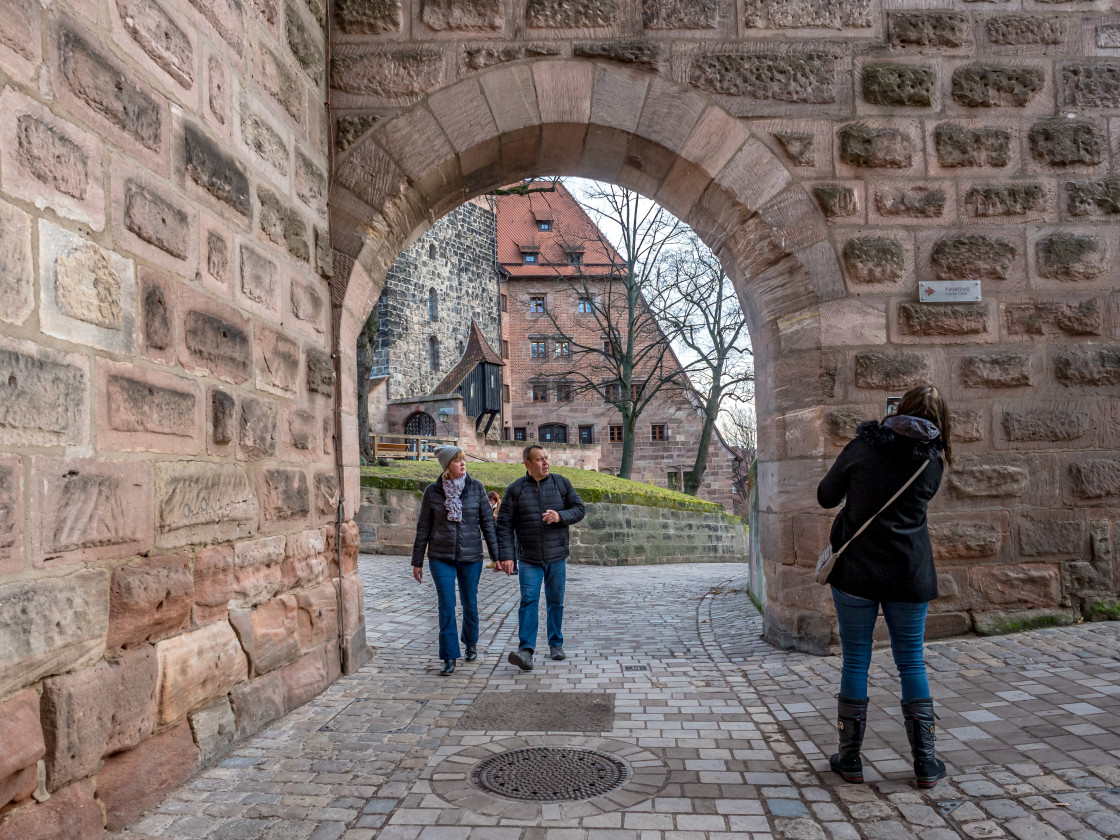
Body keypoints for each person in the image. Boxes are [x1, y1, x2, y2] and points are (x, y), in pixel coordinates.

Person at [817, 384, 953, 790]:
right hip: (908, 574)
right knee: (911, 660)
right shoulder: (933, 462)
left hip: (856, 571)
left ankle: (851, 759)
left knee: (856, 659)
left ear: (898, 409)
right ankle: (925, 763)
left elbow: (826, 496)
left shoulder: (863, 447)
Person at [411, 445, 502, 676]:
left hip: (471, 557)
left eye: (464, 460)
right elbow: (423, 528)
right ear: (446, 467)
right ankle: (449, 656)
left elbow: (488, 525)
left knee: (469, 602)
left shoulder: (476, 488)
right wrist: (417, 560)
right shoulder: (432, 492)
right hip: (440, 556)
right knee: (446, 604)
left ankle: (470, 642)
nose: (463, 464)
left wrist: (496, 556)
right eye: (457, 461)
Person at [497, 444, 585, 671]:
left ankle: (556, 644)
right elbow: (504, 525)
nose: (545, 463)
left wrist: (560, 516)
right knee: (529, 601)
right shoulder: (515, 490)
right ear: (527, 464)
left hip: (557, 556)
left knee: (556, 602)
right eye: (539, 459)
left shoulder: (561, 483)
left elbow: (579, 509)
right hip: (528, 558)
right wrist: (507, 556)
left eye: (546, 458)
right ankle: (526, 651)